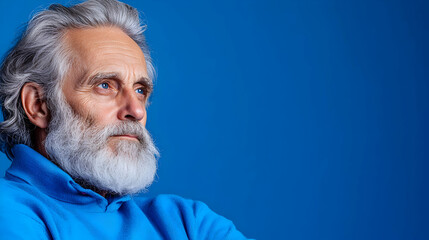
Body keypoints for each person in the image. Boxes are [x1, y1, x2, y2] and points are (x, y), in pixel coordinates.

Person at [0, 0, 250, 239]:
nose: (136, 111)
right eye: (105, 85)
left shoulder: (189, 222)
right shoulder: (7, 209)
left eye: (140, 90)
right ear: (39, 105)